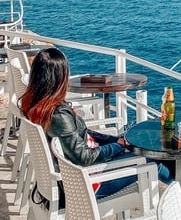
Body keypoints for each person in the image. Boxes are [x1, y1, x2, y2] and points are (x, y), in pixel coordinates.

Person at [19, 47, 138, 199]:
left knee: (133, 132)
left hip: (72, 177)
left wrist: (116, 140)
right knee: (153, 160)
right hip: (85, 185)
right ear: (60, 78)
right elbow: (84, 157)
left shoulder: (34, 105)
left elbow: (79, 140)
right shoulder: (58, 115)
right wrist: (118, 145)